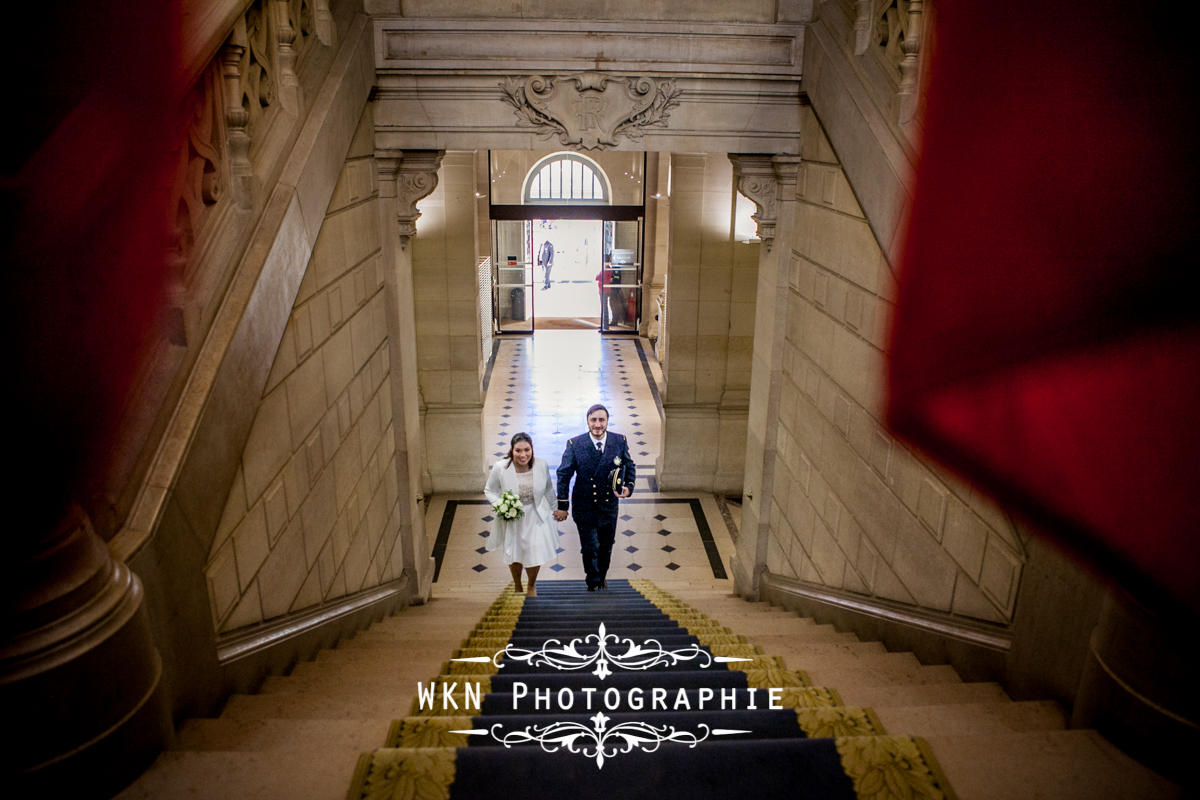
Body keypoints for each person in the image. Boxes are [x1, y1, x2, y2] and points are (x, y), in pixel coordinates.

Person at [554, 405, 636, 591]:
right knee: (590, 547)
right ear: (587, 421)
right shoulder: (576, 445)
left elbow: (629, 465)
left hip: (609, 505)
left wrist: (629, 487)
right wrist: (563, 505)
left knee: (606, 546)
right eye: (594, 420)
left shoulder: (619, 441)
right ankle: (593, 581)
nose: (598, 425)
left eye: (601, 420)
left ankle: (602, 577)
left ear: (607, 421)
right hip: (585, 505)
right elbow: (563, 474)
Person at [485, 433, 559, 596]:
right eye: (518, 450)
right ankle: (517, 584)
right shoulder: (501, 467)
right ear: (512, 451)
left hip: (535, 513)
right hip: (512, 516)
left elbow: (547, 488)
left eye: (527, 450)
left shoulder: (541, 465)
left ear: (532, 449)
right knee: (515, 551)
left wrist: (556, 508)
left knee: (534, 551)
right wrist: (501, 505)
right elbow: (489, 490)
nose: (523, 455)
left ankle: (531, 585)